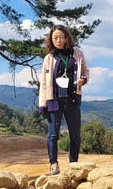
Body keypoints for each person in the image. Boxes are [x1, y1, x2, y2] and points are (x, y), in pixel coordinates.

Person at [38, 25, 90, 175]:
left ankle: (74, 164)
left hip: (73, 99)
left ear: (67, 37)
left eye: (61, 37)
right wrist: (43, 105)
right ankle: (53, 164)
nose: (58, 40)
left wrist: (84, 79)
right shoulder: (49, 58)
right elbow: (44, 82)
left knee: (75, 134)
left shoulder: (77, 53)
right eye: (55, 38)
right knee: (53, 134)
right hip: (54, 99)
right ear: (51, 40)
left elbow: (86, 71)